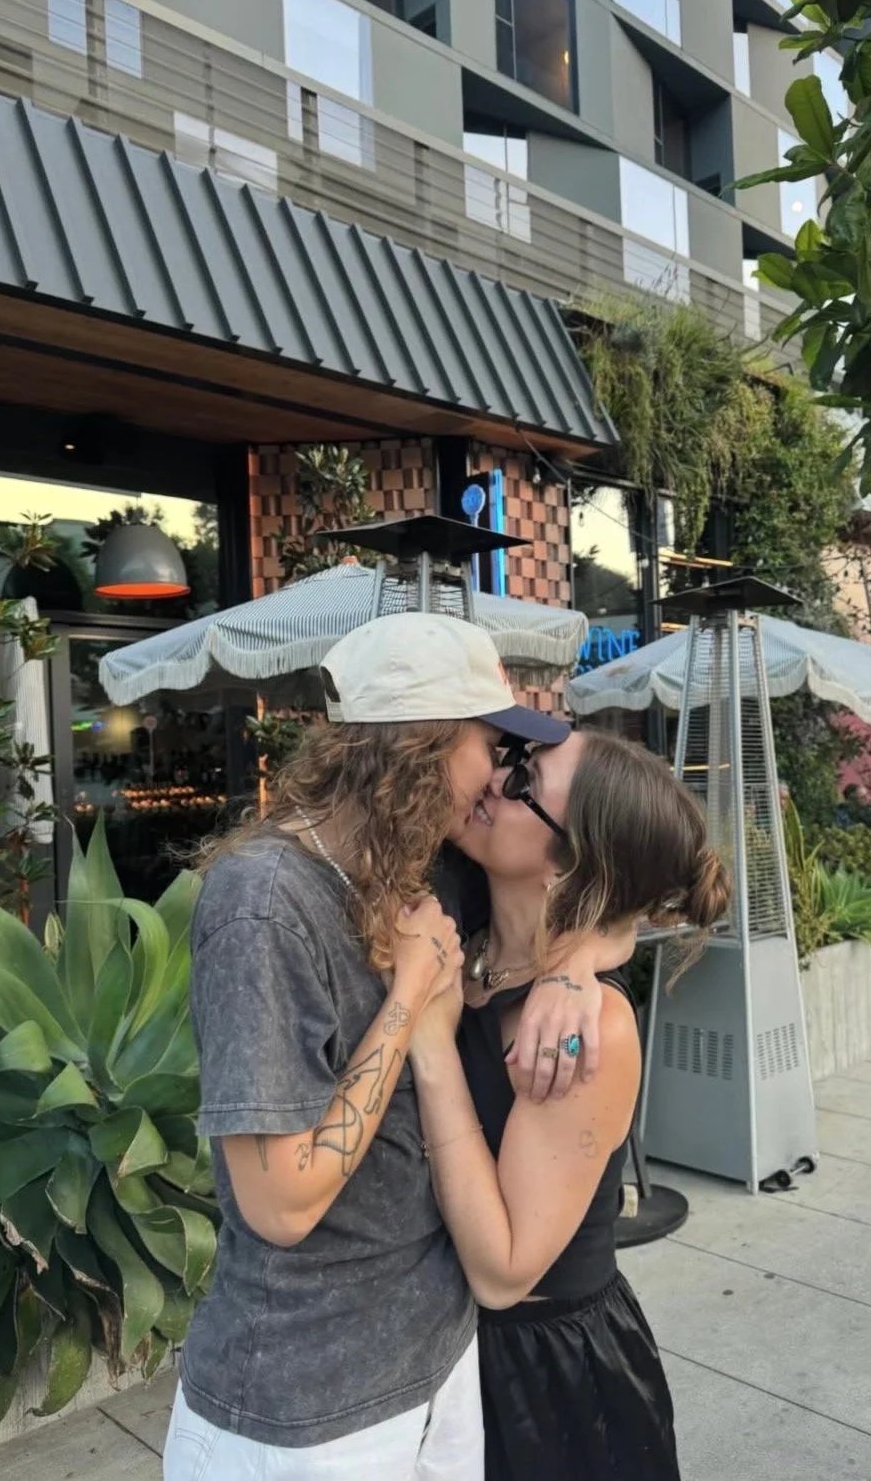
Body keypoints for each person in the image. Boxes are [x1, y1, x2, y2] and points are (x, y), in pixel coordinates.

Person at [164, 612, 611, 1481]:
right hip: (307, 1412)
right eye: (490, 744)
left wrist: (581, 963)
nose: (496, 774)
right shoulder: (265, 904)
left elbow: (647, 878)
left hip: (436, 1368)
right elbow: (279, 1204)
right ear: (424, 747)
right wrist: (408, 1000)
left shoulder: (414, 870)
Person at [408, 729, 731, 1481]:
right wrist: (587, 950)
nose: (493, 778)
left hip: (543, 1387)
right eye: (510, 757)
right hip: (441, 1356)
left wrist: (430, 1046)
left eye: (523, 783)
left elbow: (504, 1272)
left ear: (577, 861)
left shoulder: (594, 1031)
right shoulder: (466, 925)